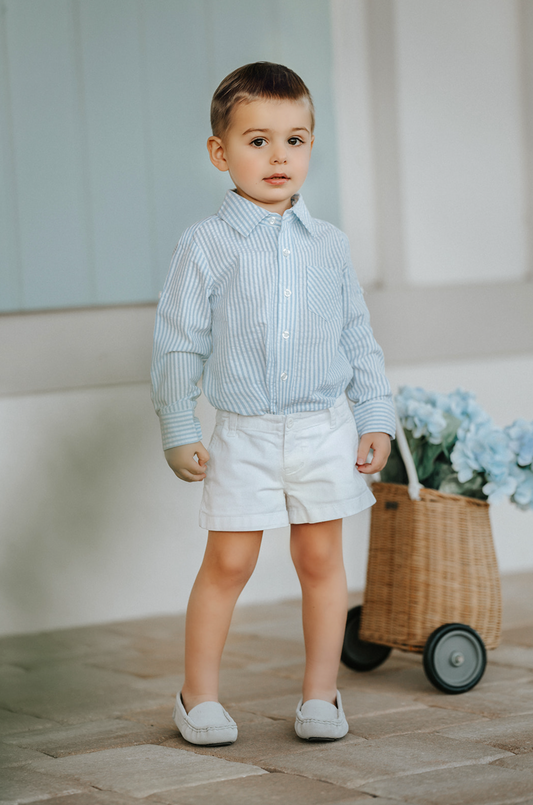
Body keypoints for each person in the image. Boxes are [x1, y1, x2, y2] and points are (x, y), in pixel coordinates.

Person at [150, 61, 395, 746]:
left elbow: (357, 336)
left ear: (312, 146)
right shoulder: (206, 245)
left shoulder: (330, 246)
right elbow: (177, 343)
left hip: (324, 429)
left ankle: (321, 694)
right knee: (228, 562)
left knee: (320, 561)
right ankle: (197, 695)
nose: (278, 156)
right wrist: (177, 423)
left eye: (295, 139)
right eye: (257, 140)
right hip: (245, 434)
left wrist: (374, 412)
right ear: (219, 152)